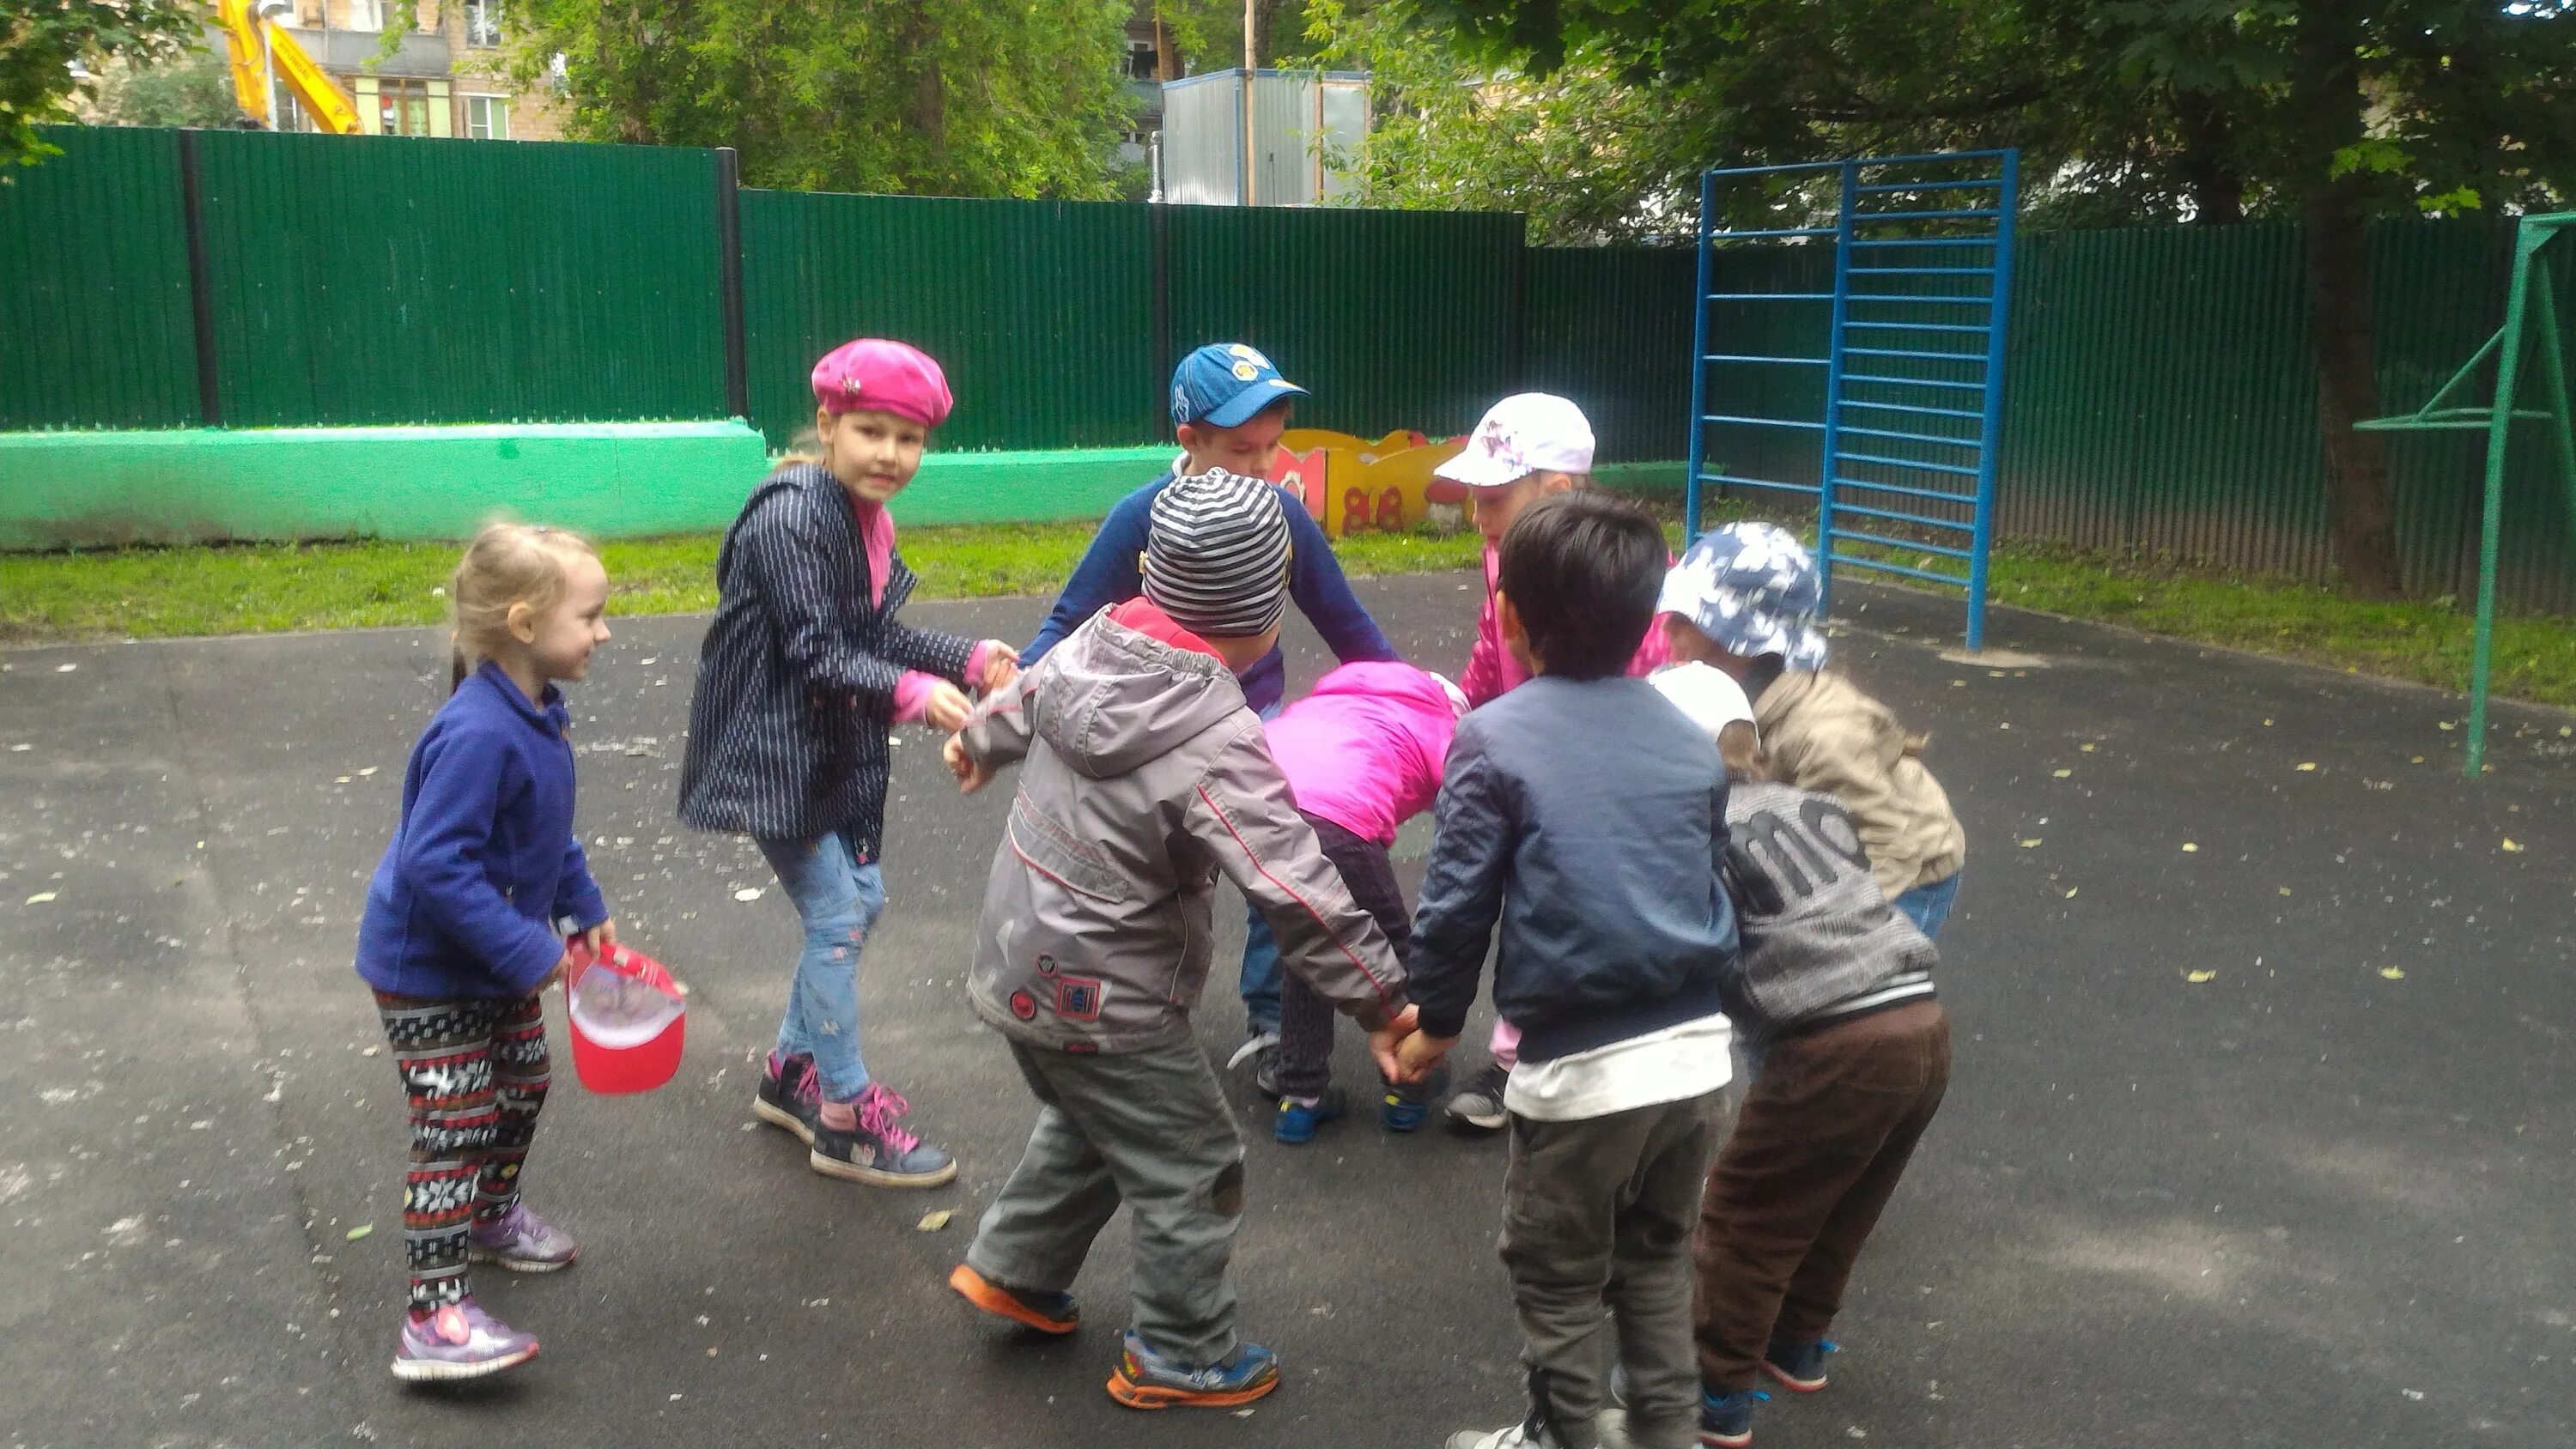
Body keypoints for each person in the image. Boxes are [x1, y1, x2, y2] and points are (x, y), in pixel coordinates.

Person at [941, 470, 1416, 1411]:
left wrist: (979, 743)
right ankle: (1182, 1348)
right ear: (1267, 609)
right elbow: (1295, 886)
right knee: (1194, 1157)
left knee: (1095, 1118)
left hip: (1016, 962)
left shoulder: (1090, 641)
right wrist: (1385, 998)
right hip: (1113, 995)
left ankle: (1016, 1266)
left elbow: (1022, 698)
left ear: (1152, 573)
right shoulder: (1220, 735)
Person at [1398, 492, 1738, 1449]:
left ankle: (1563, 1436)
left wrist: (1434, 1018)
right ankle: (1666, 1433)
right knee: (1658, 1262)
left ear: (1509, 615)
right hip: (1699, 1057)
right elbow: (1707, 874)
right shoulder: (1687, 738)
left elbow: (1458, 898)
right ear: (1651, 623)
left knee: (1559, 1275)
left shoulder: (1496, 736)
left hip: (1583, 1070)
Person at [678, 339, 1018, 1190]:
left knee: (860, 902)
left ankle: (790, 1072)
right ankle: (842, 1116)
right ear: (828, 424)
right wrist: (915, 691)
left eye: (909, 440)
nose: (891, 455)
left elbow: (874, 636)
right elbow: (821, 653)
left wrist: (968, 657)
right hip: (765, 752)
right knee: (838, 914)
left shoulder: (863, 516)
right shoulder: (795, 518)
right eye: (871, 431)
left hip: (816, 743)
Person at [1018, 343, 1398, 1080]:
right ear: (1189, 442)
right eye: (1240, 450)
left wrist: (1409, 701)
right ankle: (1136, 1011)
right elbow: (1069, 620)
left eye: (1270, 447)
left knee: (1278, 865)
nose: (1261, 465)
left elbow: (1347, 624)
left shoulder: (1280, 510)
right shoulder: (1143, 517)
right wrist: (1019, 685)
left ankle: (1270, 1018)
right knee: (1156, 880)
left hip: (1250, 718)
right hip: (1151, 731)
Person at [1649, 640, 1947, 1449]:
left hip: (1832, 1040)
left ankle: (1714, 1392)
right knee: (1844, 1198)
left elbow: (1695, 945)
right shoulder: (1804, 803)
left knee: (1746, 1214)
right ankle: (1798, 1343)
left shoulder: (1694, 829)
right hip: (1920, 1019)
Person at [356, 522, 616, 1382]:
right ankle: (431, 1316)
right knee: (453, 1120)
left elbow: (541, 832)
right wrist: (525, 950)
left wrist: (580, 907)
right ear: (525, 622)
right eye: (592, 615)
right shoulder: (477, 733)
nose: (604, 631)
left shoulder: (537, 712)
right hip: (426, 970)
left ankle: (488, 1212)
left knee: (525, 1080)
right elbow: (435, 863)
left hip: (492, 954)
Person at [1431, 392, 1672, 1132]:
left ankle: (1566, 1056)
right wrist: (1467, 710)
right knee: (1515, 892)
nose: (1480, 517)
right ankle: (1518, 1060)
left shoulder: (1633, 577)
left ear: (1556, 490)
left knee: (1581, 904)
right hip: (1526, 746)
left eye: (1494, 499)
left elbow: (1651, 676)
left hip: (1608, 764)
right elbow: (1490, 638)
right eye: (1475, 500)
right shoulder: (1503, 550)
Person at [1654, 522, 1965, 938]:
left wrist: (1847, 937)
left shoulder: (1823, 733)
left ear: (1740, 639)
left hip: (1907, 873)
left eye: (1685, 618)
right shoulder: (1717, 691)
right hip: (1819, 837)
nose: (1666, 627)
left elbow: (1890, 845)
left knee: (1853, 986)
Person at [1259, 661, 1468, 1143]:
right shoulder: (1441, 727)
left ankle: (1301, 1097)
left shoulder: (1329, 701)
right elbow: (1465, 816)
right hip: (1344, 820)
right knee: (1395, 951)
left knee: (1310, 950)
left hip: (1262, 813)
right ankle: (1407, 1091)